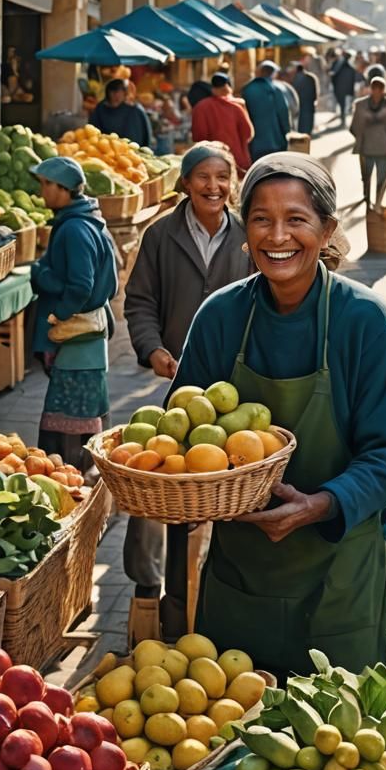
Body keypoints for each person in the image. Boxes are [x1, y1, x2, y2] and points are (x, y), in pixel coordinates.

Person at [170, 153, 386, 677]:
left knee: (332, 743)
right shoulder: (221, 316)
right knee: (227, 736)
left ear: (328, 229)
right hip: (242, 570)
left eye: (296, 219)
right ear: (245, 228)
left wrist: (321, 503)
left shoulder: (367, 323)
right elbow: (180, 437)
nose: (276, 235)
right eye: (261, 218)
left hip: (340, 571)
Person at [123, 142, 252, 641]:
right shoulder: (161, 235)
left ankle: (223, 604)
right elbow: (139, 303)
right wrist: (153, 349)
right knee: (167, 491)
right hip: (182, 393)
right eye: (204, 176)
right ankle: (160, 595)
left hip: (239, 396)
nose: (214, 186)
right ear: (185, 183)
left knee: (234, 496)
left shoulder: (247, 235)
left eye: (224, 177)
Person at [28, 156, 118, 467]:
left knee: (70, 418)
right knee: (86, 411)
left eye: (45, 185)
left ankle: (75, 479)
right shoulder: (88, 220)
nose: (42, 193)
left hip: (78, 339)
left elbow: (80, 286)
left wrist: (57, 311)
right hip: (89, 340)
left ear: (63, 189)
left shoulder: (75, 229)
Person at [349, 77, 386, 207]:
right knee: (367, 177)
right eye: (375, 88)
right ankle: (369, 199)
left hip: (382, 149)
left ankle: (377, 202)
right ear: (371, 89)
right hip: (370, 148)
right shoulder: (362, 105)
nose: (377, 91)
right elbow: (354, 127)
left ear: (383, 90)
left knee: (381, 179)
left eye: (379, 89)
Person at [190, 72, 254, 172]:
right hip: (237, 162)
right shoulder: (237, 106)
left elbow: (198, 137)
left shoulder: (200, 107)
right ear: (228, 86)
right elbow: (248, 134)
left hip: (210, 161)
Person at [242, 61, 291, 160]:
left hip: (254, 144)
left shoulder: (247, 89)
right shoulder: (275, 89)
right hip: (276, 142)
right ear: (272, 74)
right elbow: (283, 112)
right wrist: (287, 131)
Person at [89, 78, 153, 147]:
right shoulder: (101, 108)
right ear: (108, 93)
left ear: (124, 93)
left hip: (132, 150)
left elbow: (143, 135)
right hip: (106, 149)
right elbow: (93, 131)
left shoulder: (134, 110)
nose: (116, 96)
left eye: (120, 92)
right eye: (113, 92)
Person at [291, 61, 319, 135]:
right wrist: (315, 100)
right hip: (309, 103)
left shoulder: (294, 78)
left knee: (300, 122)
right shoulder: (311, 77)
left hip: (299, 103)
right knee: (308, 121)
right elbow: (316, 90)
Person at [330, 50, 358, 126]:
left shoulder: (339, 65)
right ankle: (343, 120)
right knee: (344, 105)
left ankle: (343, 120)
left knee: (343, 105)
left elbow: (332, 76)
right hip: (344, 89)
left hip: (340, 89)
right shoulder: (349, 67)